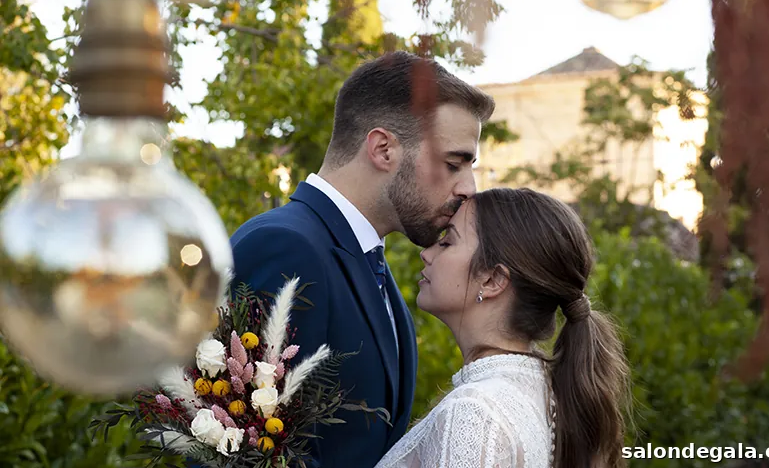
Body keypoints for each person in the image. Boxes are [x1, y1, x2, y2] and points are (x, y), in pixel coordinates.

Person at [228, 50, 495, 468]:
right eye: (453, 163)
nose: (469, 188)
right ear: (383, 149)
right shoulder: (283, 248)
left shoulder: (373, 265)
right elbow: (241, 451)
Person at [375, 188, 631, 468]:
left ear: (493, 280)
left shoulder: (474, 413)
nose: (426, 253)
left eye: (447, 242)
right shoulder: (544, 392)